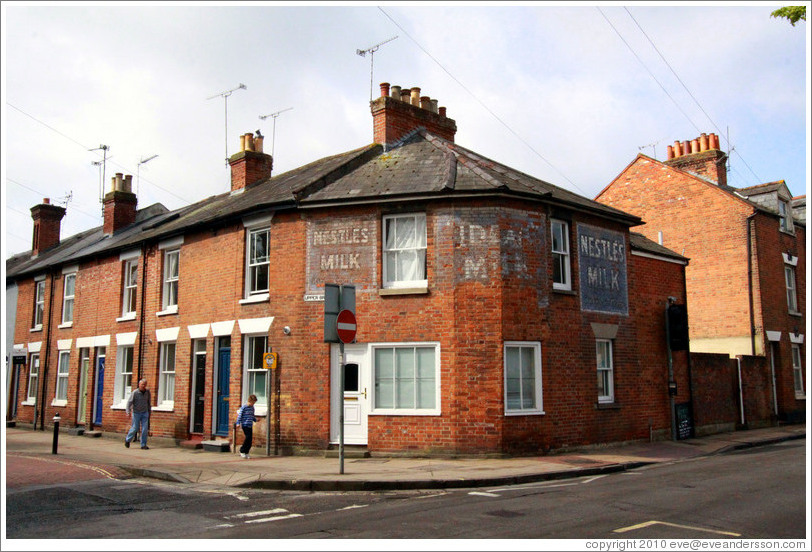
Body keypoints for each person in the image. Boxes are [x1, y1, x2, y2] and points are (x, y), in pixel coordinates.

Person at [125, 379, 151, 450]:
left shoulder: (147, 392)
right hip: (136, 413)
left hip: (145, 412)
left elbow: (149, 403)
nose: (143, 386)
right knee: (135, 428)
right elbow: (129, 403)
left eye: (144, 384)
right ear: (139, 385)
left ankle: (143, 444)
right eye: (142, 384)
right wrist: (128, 411)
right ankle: (127, 440)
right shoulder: (135, 392)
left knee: (144, 429)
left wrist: (149, 411)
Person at [235, 394, 258, 459]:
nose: (253, 404)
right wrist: (238, 423)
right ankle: (242, 450)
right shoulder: (244, 407)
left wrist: (255, 420)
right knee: (247, 437)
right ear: (250, 401)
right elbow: (240, 415)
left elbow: (252, 415)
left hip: (250, 424)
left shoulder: (252, 408)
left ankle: (247, 452)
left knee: (250, 439)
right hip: (245, 424)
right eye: (253, 402)